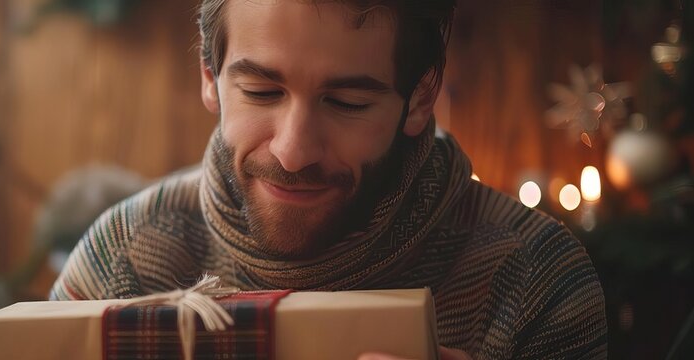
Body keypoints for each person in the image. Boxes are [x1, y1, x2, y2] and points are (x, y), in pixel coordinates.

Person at [50, 0, 607, 359]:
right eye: (262, 92)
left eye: (346, 102)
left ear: (420, 98)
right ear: (209, 76)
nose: (293, 152)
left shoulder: (535, 280)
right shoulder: (123, 259)